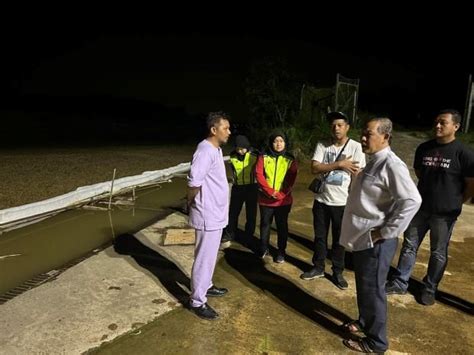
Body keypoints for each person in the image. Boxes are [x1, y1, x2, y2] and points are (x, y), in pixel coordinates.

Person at [340, 118, 421, 353]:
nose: (363, 138)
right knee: (365, 286)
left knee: (373, 288)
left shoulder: (392, 165)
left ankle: (376, 342)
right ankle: (365, 322)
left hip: (376, 241)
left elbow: (412, 200)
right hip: (362, 238)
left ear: (385, 137)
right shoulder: (374, 161)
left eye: (369, 134)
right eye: (363, 133)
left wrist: (386, 231)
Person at [386, 109, 474, 305]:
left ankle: (429, 288)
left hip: (444, 214)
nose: (438, 126)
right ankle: (400, 282)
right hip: (420, 208)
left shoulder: (464, 153)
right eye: (436, 122)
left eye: (443, 122)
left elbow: (471, 184)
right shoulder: (424, 148)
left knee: (438, 252)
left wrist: (456, 201)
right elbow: (419, 172)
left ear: (456, 126)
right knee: (409, 246)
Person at [300, 111, 365, 290]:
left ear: (347, 128)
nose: (336, 128)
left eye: (340, 125)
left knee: (339, 240)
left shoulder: (355, 147)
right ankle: (318, 267)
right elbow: (314, 167)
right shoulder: (323, 144)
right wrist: (339, 164)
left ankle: (337, 272)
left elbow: (357, 175)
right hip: (321, 200)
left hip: (342, 203)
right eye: (333, 125)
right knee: (320, 237)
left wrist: (355, 200)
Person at [187, 111, 232, 320]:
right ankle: (197, 300)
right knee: (204, 257)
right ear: (214, 130)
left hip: (216, 213)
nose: (229, 132)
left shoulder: (216, 149)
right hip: (207, 213)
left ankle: (207, 285)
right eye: (226, 128)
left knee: (211, 254)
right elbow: (194, 182)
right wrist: (190, 203)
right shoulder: (205, 150)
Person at [255, 132, 298, 263]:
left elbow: (291, 179)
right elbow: (259, 174)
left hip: (283, 201)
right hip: (265, 199)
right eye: (275, 141)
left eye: (281, 141)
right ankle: (263, 248)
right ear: (271, 143)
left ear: (285, 143)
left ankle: (281, 252)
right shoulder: (263, 156)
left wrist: (280, 194)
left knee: (282, 226)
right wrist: (270, 192)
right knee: (264, 225)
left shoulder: (290, 159)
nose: (278, 144)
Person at [222, 135, 258, 246]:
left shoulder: (255, 155)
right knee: (233, 212)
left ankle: (249, 236)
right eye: (237, 148)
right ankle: (230, 233)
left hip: (252, 187)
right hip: (237, 188)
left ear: (247, 147)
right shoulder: (232, 156)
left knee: (251, 214)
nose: (240, 151)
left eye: (242, 148)